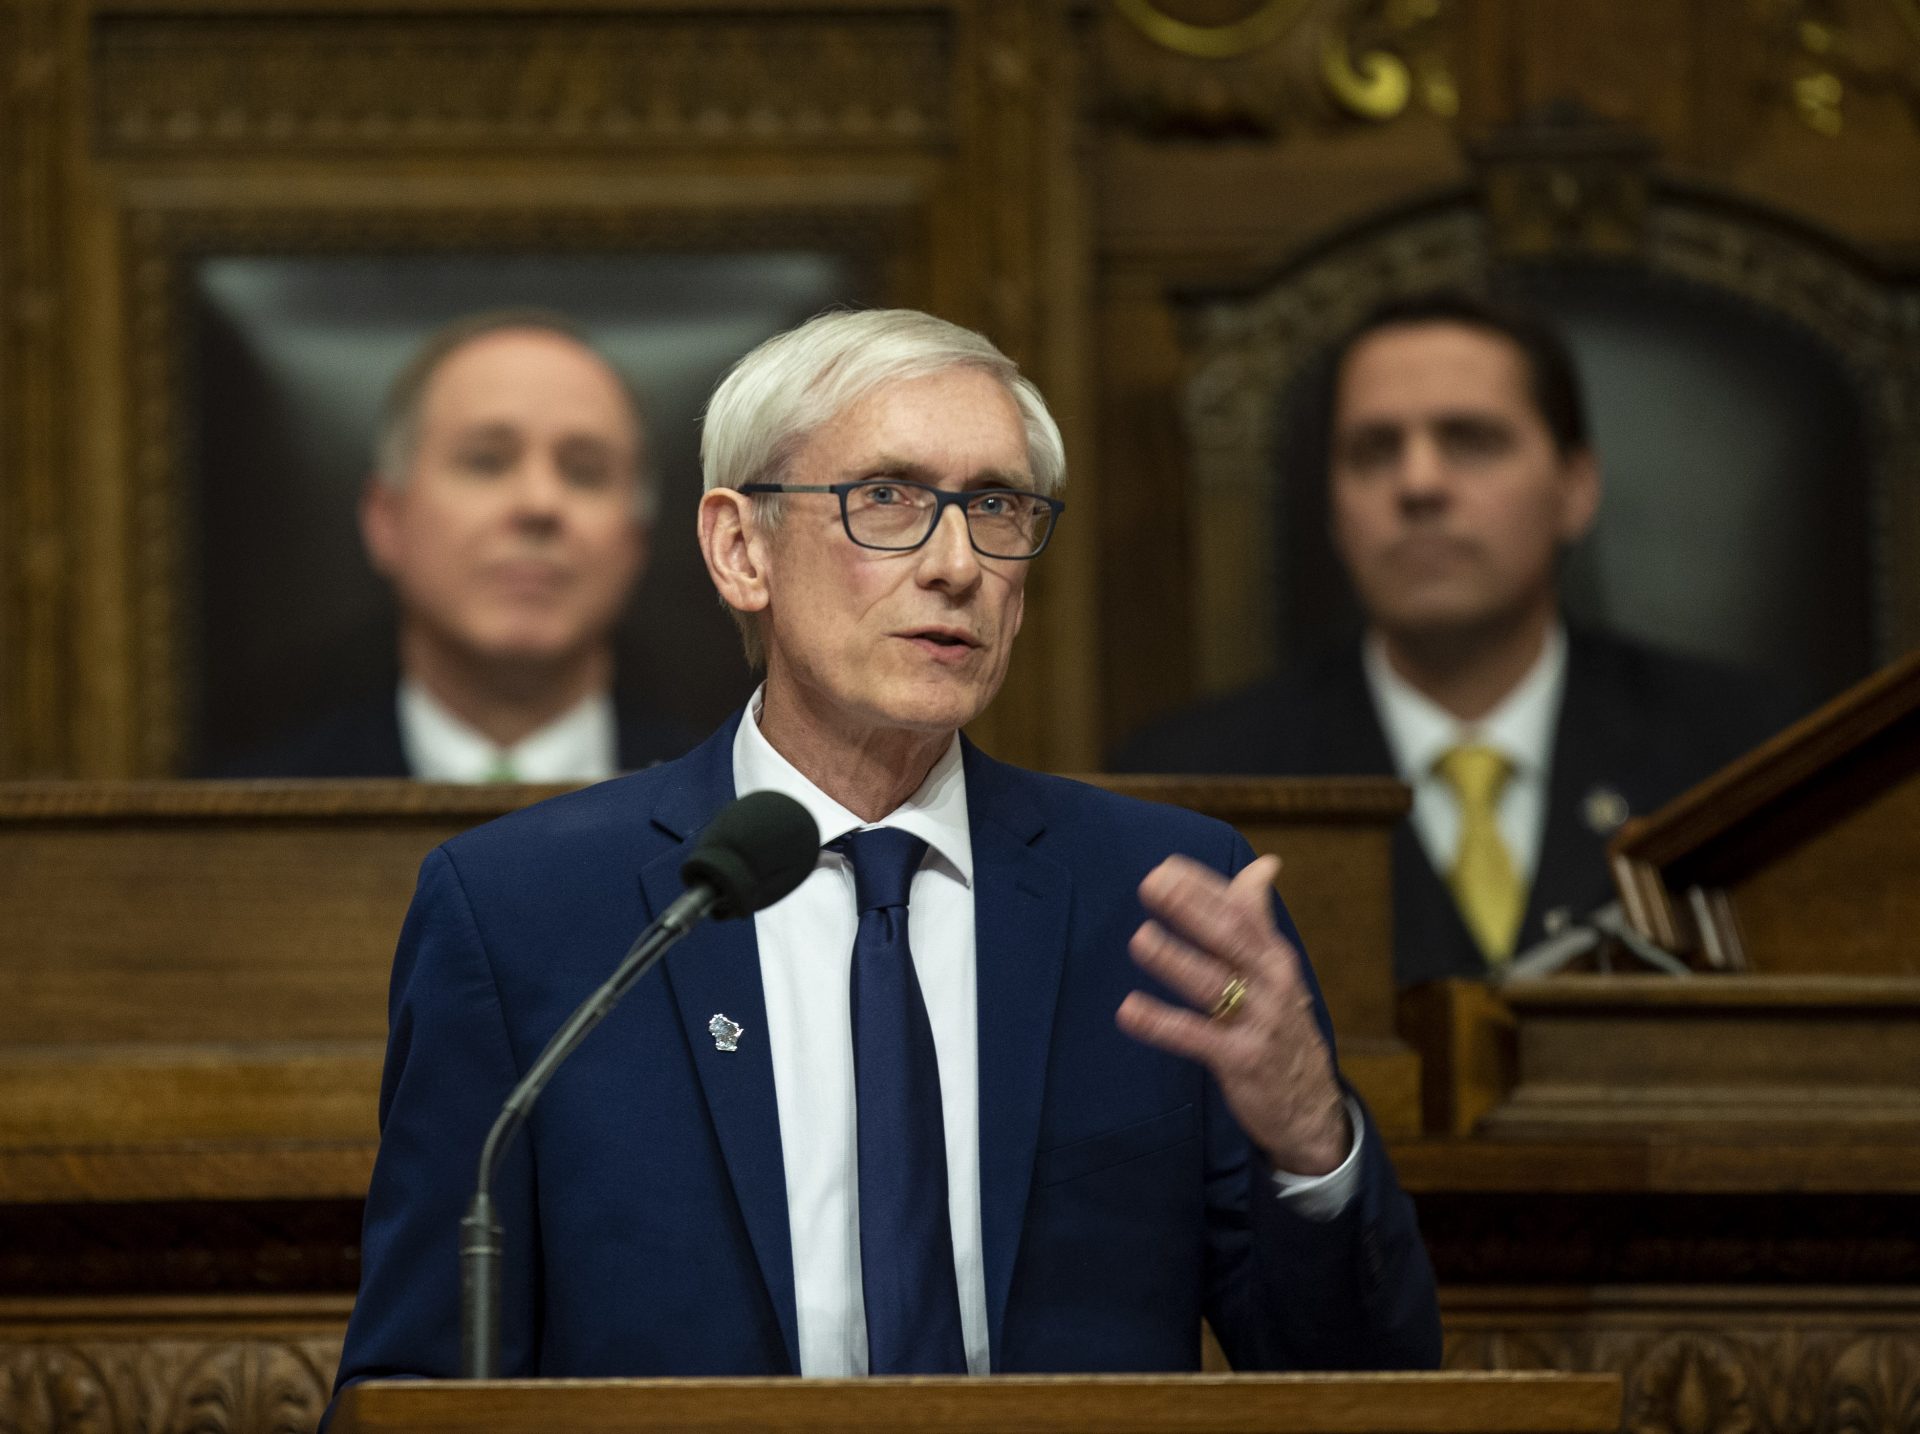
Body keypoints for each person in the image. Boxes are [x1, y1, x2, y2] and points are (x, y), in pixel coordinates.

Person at [329, 309, 1439, 1401]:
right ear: (739, 548)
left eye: (997, 507)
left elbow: (1357, 1389)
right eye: (890, 500)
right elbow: (415, 1384)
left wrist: (1311, 1146)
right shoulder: (525, 912)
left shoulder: (1158, 901)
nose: (957, 562)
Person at [1112, 292, 1808, 985]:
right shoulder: (1193, 785)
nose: (1418, 484)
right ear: (1333, 507)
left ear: (1576, 487)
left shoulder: (1746, 757)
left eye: (1471, 441)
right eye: (1374, 450)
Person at [223, 310, 691, 781]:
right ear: (387, 521)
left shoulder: (734, 812)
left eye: (585, 472)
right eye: (486, 462)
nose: (539, 503)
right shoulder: (244, 822)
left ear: (636, 539)